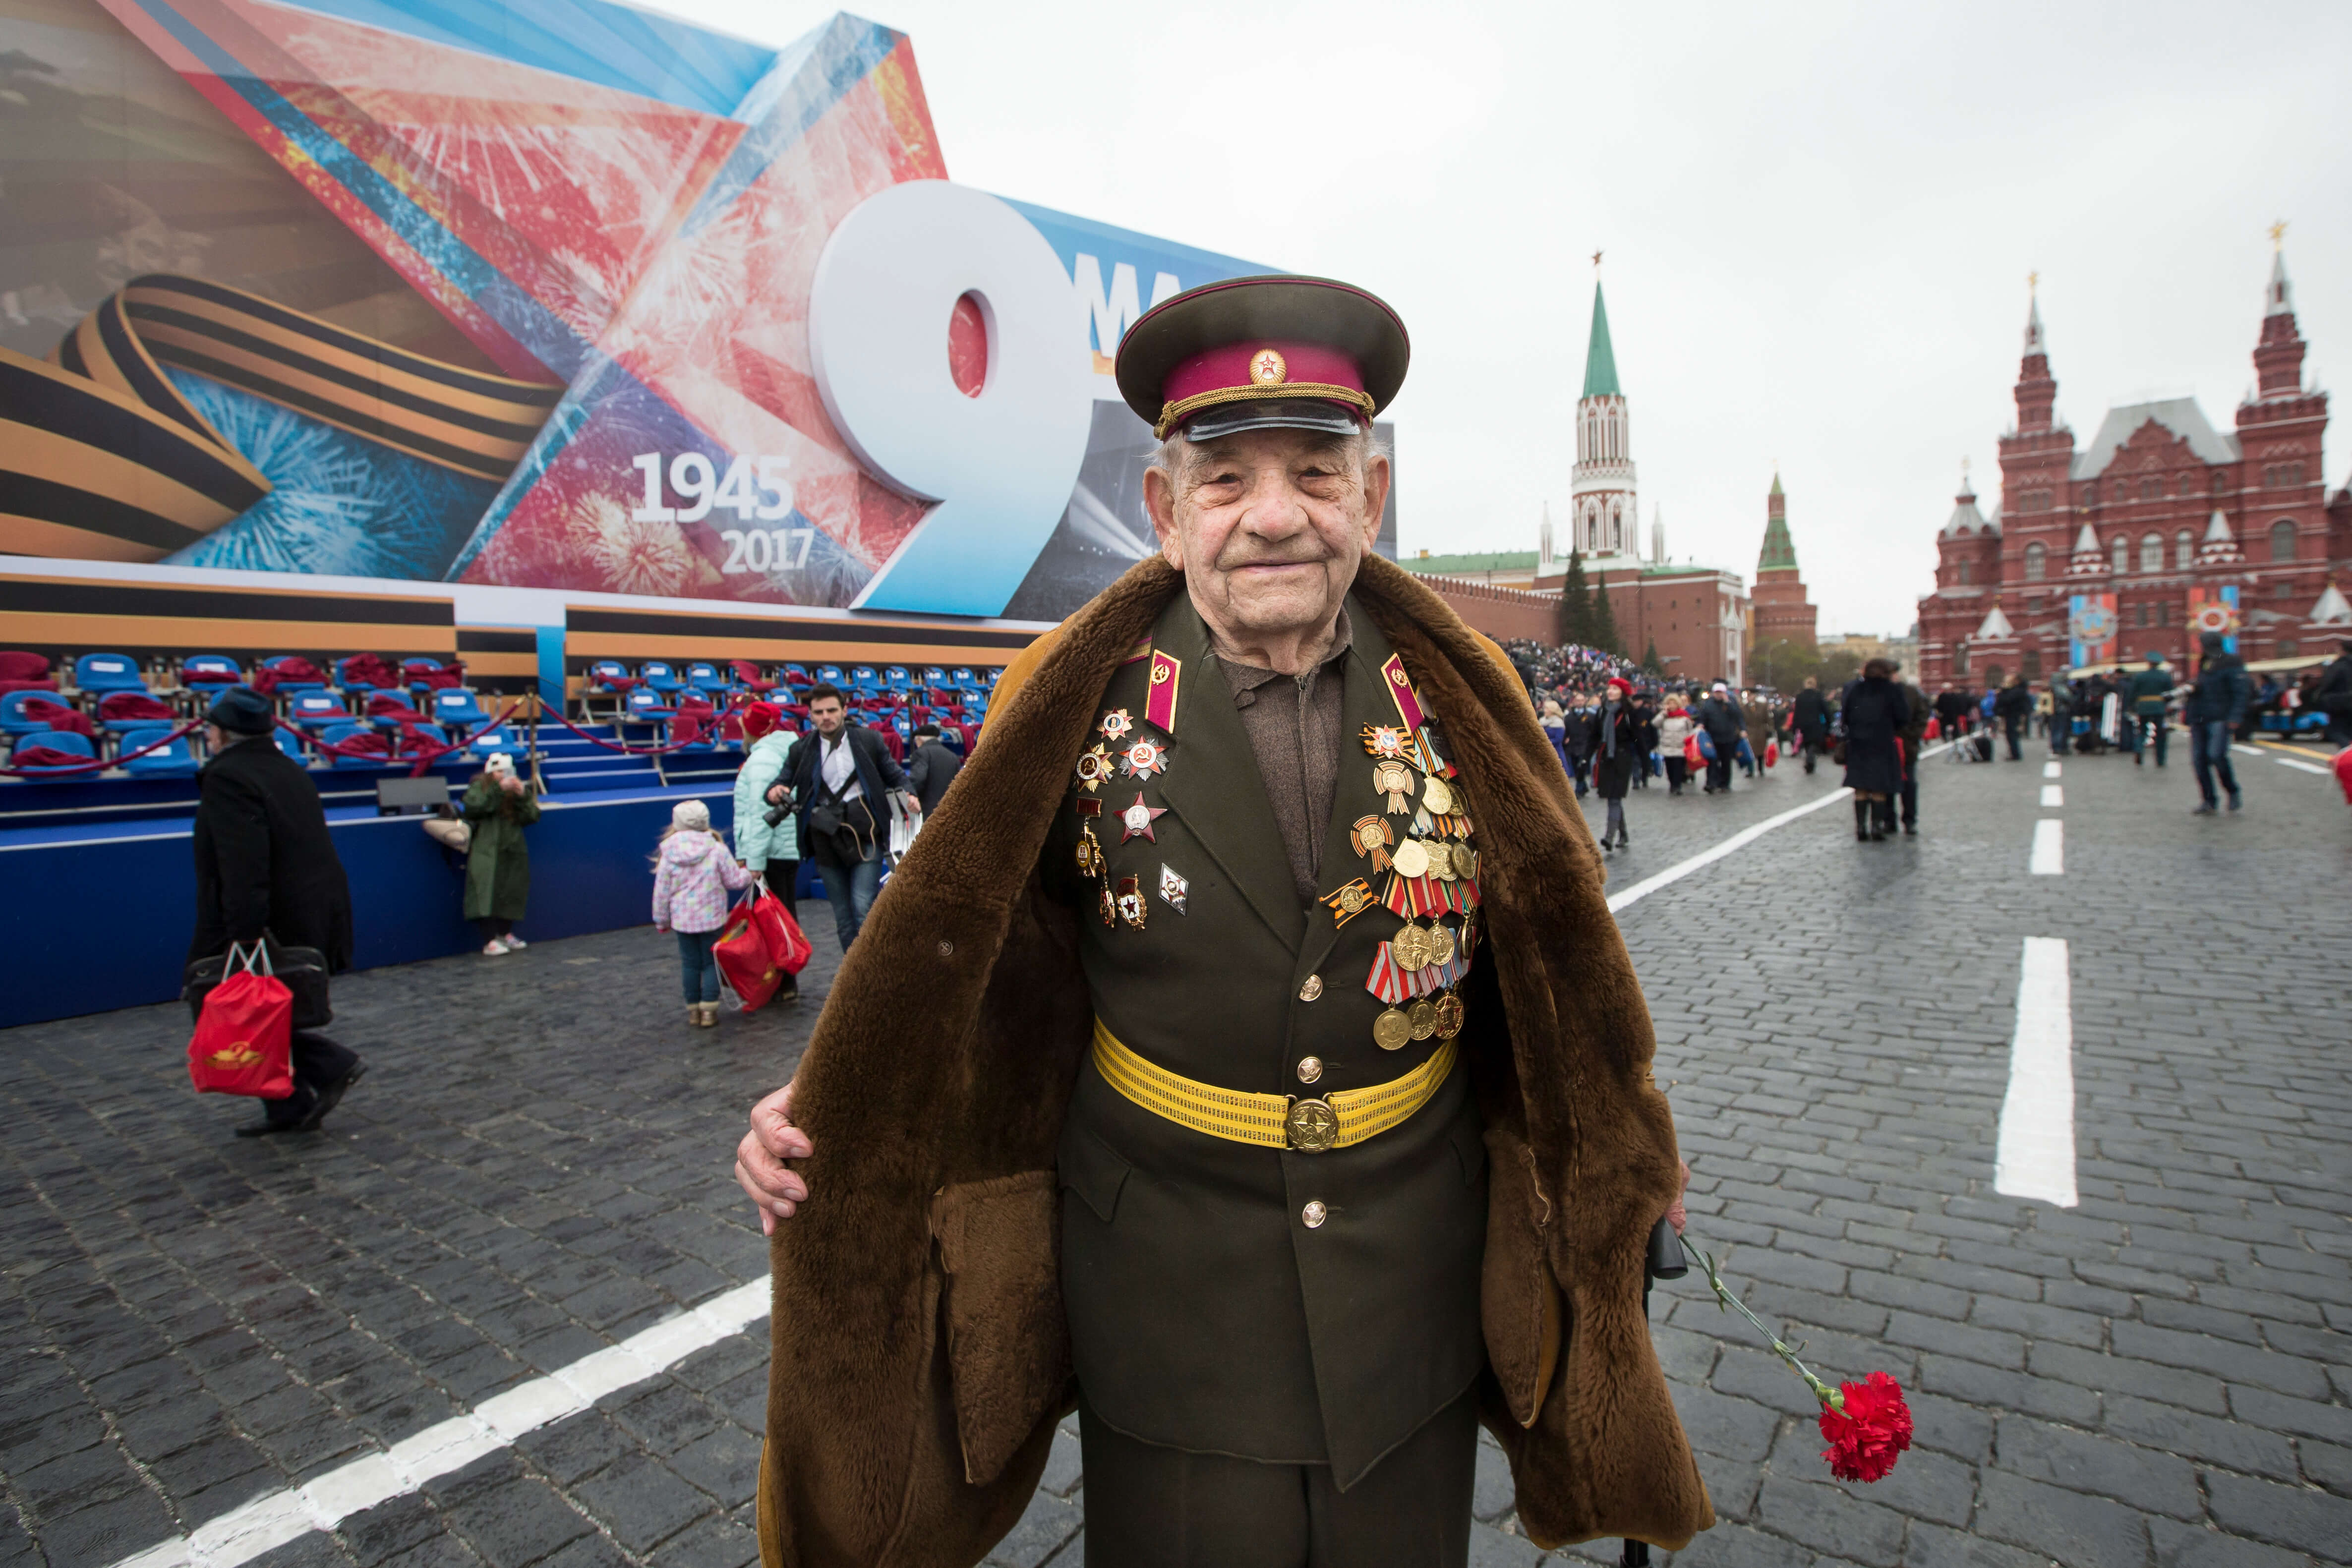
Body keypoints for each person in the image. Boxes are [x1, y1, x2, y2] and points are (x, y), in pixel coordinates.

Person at [731, 275, 1707, 1568]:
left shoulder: (1466, 692)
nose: (1274, 515)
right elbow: (959, 956)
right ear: (1164, 507)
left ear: (1370, 496)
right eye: (1227, 478)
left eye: (1315, 472)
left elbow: (1554, 967)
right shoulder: (1066, 701)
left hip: (1411, 1282)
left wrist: (1620, 1148)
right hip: (1163, 1296)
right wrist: (836, 1101)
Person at [187, 686, 364, 1137]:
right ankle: (288, 1105)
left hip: (271, 913)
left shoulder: (229, 778)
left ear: (223, 734)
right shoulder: (287, 768)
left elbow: (242, 860)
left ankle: (327, 1065)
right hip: (311, 905)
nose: (207, 736)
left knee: (231, 1004)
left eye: (211, 729)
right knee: (263, 1005)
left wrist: (244, 927)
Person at [782, 683, 905, 950]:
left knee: (863, 907)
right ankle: (853, 972)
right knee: (843, 918)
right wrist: (776, 790)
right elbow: (783, 780)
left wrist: (909, 796)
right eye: (819, 712)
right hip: (825, 839)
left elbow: (895, 776)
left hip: (866, 834)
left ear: (844, 710)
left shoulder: (869, 740)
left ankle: (873, 966)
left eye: (831, 710)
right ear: (811, 715)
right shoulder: (801, 749)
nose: (826, 717)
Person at [652, 798, 753, 1028]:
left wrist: (662, 921)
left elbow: (661, 892)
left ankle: (693, 1011)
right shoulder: (717, 849)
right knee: (710, 963)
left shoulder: (668, 853)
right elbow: (734, 880)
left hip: (683, 921)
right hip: (712, 918)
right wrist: (750, 874)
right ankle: (709, 1010)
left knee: (690, 964)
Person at [462, 752, 538, 953]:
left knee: (511, 889)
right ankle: (489, 940)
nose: (502, 776)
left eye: (506, 771)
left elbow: (532, 816)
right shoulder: (480, 787)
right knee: (485, 891)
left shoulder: (514, 791)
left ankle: (505, 933)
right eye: (498, 772)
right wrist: (498, 790)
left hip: (512, 845)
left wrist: (522, 796)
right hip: (487, 845)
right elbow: (474, 808)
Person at [1840, 659, 1910, 840]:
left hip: (1858, 743)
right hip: (1883, 742)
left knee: (1861, 788)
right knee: (1879, 787)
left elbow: (1845, 715)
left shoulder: (1856, 689)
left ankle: (1861, 828)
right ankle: (1877, 827)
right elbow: (1903, 716)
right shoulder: (1892, 690)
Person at [2188, 631, 2250, 814]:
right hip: (2199, 716)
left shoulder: (2232, 662)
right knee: (2199, 761)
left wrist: (2235, 716)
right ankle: (2209, 800)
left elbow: (2241, 691)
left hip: (2220, 717)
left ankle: (2233, 791)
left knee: (2216, 755)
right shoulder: (2205, 662)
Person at [1591, 675, 1641, 850]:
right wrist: (1586, 758)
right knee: (1613, 799)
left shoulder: (1629, 713)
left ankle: (1609, 837)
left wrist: (1645, 762)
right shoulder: (1603, 711)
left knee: (1614, 798)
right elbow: (1595, 736)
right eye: (1610, 688)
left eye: (1615, 689)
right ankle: (1624, 834)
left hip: (1622, 759)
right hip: (1606, 759)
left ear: (1623, 692)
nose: (1610, 692)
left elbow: (1638, 738)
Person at [1893, 662, 1930, 836]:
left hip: (1907, 745)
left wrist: (1913, 735)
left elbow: (1922, 716)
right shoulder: (1881, 692)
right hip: (1887, 745)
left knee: (1909, 784)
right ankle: (1889, 820)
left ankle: (1910, 820)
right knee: (1886, 785)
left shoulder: (1911, 692)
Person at [906, 721, 964, 815]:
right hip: (950, 811)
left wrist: (909, 793)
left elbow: (918, 779)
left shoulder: (921, 753)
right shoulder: (953, 756)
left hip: (928, 811)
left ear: (919, 739)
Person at [2125, 651, 2173, 767]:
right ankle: (2160, 759)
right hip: (2159, 707)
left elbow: (2133, 693)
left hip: (2143, 707)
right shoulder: (2165, 676)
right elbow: (2170, 693)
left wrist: (2130, 706)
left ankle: (2139, 749)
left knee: (2142, 731)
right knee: (2160, 734)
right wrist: (2168, 705)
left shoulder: (2140, 676)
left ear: (2149, 663)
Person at [1697, 681, 1743, 793]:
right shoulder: (1708, 704)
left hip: (1728, 738)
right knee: (1712, 762)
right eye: (1717, 693)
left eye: (1721, 693)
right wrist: (1700, 724)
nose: (1719, 695)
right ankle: (1711, 783)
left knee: (1726, 763)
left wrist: (1728, 703)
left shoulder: (1731, 703)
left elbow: (1737, 716)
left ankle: (1725, 784)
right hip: (1712, 738)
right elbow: (1702, 717)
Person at [2316, 639, 2352, 746]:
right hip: (2343, 704)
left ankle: (2348, 752)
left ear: (2342, 650)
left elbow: (2327, 686)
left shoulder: (2338, 667)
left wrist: (2321, 699)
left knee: (2335, 731)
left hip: (2341, 706)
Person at [1657, 696, 1695, 795]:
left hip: (1680, 747)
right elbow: (1655, 724)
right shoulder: (1665, 716)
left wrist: (1688, 743)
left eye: (1674, 703)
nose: (1672, 706)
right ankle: (1672, 784)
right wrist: (1663, 713)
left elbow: (1690, 731)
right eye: (1670, 704)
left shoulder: (1684, 717)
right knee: (1669, 769)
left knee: (1678, 769)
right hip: (1667, 747)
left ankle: (1677, 786)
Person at [1792, 676, 1829, 774]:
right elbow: (1826, 711)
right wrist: (1828, 724)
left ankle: (1810, 763)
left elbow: (1797, 713)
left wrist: (1795, 726)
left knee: (1808, 744)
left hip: (1804, 725)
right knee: (1814, 743)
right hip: (1815, 724)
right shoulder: (1818, 696)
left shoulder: (1800, 697)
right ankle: (1810, 761)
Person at [1994, 673, 2031, 761]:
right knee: (2010, 735)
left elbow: (2006, 700)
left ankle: (2015, 754)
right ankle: (2013, 753)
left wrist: (2002, 692)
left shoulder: (2017, 691)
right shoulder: (2018, 690)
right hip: (2011, 715)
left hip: (2013, 715)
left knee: (2012, 735)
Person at [1537, 697, 1568, 772]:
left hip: (1555, 752)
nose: (1545, 710)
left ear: (1552, 710)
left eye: (1547, 709)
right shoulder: (1542, 721)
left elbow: (1558, 739)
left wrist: (1544, 742)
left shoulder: (1558, 722)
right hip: (1542, 751)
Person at [2047, 677, 2074, 756]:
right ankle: (2061, 747)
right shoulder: (2061, 688)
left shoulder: (2050, 688)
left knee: (2054, 729)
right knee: (2062, 729)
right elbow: (2069, 698)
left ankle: (2055, 747)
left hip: (2052, 711)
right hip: (2062, 711)